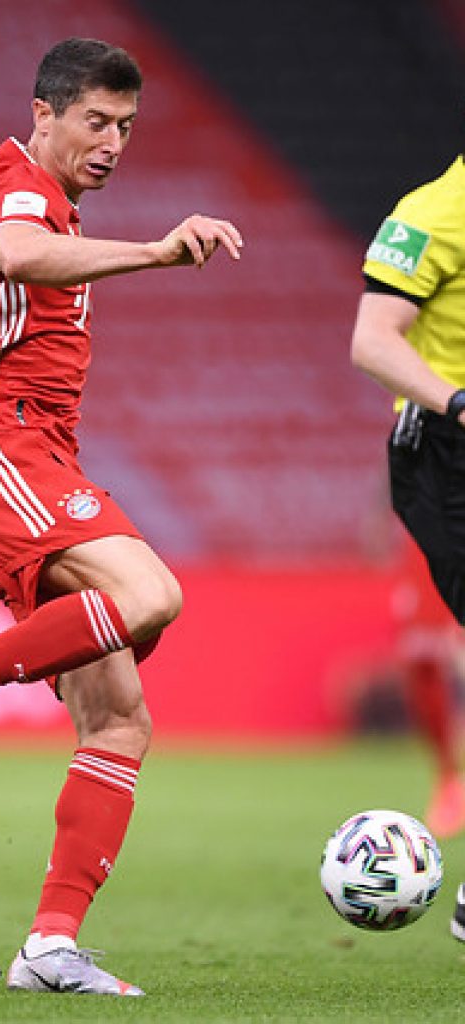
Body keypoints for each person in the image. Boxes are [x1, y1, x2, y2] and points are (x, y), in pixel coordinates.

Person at [0, 38, 242, 996]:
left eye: (126, 128)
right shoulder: (15, 191)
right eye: (95, 122)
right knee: (150, 594)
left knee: (117, 720)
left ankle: (50, 946)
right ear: (44, 113)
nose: (112, 144)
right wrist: (156, 250)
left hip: (18, 459)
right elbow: (19, 253)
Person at [349, 144, 465, 938]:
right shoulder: (432, 214)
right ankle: (449, 778)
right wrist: (459, 402)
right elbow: (373, 341)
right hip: (448, 456)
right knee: (427, 651)